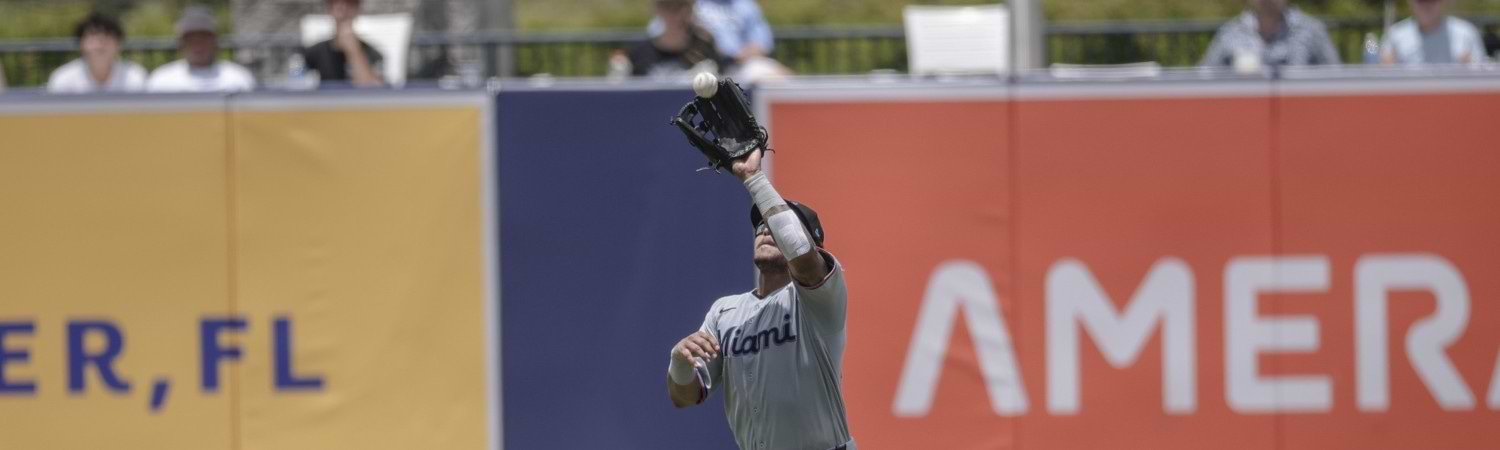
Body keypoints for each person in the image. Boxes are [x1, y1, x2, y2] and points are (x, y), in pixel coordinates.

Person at [667, 148, 854, 450]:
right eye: (760, 224)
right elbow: (684, 396)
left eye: (775, 221)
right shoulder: (724, 311)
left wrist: (754, 179)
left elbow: (803, 259)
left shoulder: (819, 300)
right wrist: (679, 363)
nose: (765, 227)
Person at [146, 6, 256, 93]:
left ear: (215, 41)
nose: (198, 44)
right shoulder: (161, 80)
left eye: (204, 37)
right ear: (180, 44)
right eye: (190, 38)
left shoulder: (238, 78)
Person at [1201, 0, 1340, 68]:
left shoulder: (1312, 31)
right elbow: (1203, 80)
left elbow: (1336, 81)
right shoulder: (1229, 33)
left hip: (1302, 118)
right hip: (1243, 117)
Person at [625, 0, 729, 79]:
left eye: (680, 6)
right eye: (667, 6)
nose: (673, 14)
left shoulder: (705, 47)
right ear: (657, 10)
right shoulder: (640, 53)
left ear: (690, 9)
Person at [46, 13, 148, 93]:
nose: (100, 43)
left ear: (119, 44)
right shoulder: (63, 78)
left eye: (108, 36)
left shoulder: (135, 76)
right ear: (81, 43)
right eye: (94, 36)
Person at [302, 0, 384, 87]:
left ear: (358, 8)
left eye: (349, 2)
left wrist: (354, 51)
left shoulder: (373, 54)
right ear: (328, 8)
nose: (342, 7)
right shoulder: (313, 53)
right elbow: (296, 90)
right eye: (334, 2)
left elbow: (373, 92)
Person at [1381, 0, 1488, 65]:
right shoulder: (1394, 35)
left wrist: (1470, 65)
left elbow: (1483, 76)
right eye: (1421, 1)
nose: (1427, 6)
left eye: (1432, 0)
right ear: (1411, 2)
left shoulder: (1466, 33)